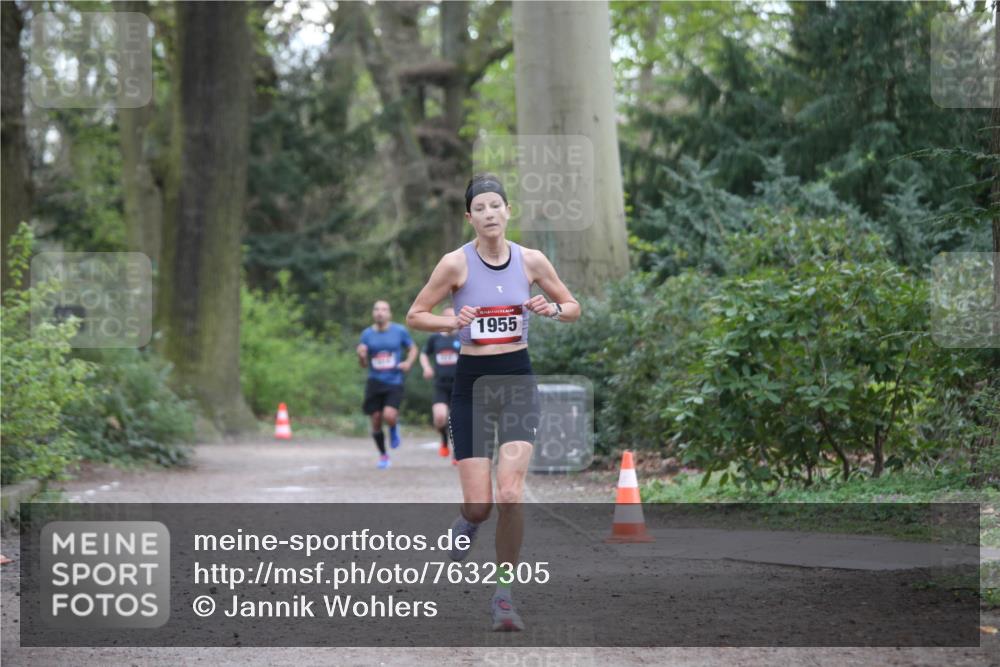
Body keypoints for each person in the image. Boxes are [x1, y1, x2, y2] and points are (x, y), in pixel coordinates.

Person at [406, 173, 580, 631]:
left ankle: (503, 596)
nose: (488, 214)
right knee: (480, 505)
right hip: (471, 386)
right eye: (479, 208)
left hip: (517, 380)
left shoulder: (531, 261)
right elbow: (415, 314)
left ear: (507, 212)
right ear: (470, 217)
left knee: (510, 494)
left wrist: (552, 309)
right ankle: (467, 523)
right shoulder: (454, 265)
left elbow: (573, 306)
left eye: (495, 206)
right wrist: (449, 321)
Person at [357, 300, 417, 469]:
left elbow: (412, 349)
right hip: (374, 381)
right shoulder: (366, 334)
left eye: (383, 309)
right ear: (373, 313)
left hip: (394, 381)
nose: (379, 312)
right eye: (376, 309)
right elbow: (363, 364)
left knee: (389, 415)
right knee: (375, 420)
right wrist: (361, 356)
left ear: (389, 313)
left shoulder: (399, 331)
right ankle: (383, 455)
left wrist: (408, 363)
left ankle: (392, 428)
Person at [419, 306, 462, 461]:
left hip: (459, 385)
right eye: (447, 318)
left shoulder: (463, 337)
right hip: (440, 384)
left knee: (457, 420)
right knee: (440, 417)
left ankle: (457, 452)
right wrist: (427, 367)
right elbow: (423, 354)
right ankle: (444, 441)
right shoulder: (435, 338)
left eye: (453, 317)